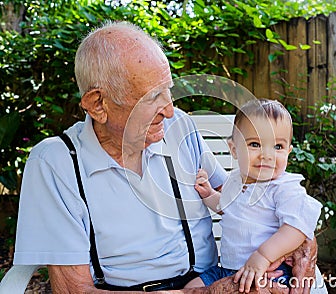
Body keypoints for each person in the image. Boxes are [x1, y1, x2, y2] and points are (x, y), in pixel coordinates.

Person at [13, 21, 318, 293]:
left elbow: (245, 197)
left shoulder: (178, 126)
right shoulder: (55, 163)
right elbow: (73, 291)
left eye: (168, 91)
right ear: (97, 105)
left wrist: (304, 243)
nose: (170, 110)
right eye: (152, 97)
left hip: (215, 276)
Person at [186, 99, 323, 293]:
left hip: (269, 270)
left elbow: (297, 229)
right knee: (191, 288)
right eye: (255, 144)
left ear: (288, 152)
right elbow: (227, 208)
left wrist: (263, 256)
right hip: (226, 269)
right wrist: (209, 194)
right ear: (234, 149)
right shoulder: (235, 181)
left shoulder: (284, 188)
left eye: (277, 146)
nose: (267, 155)